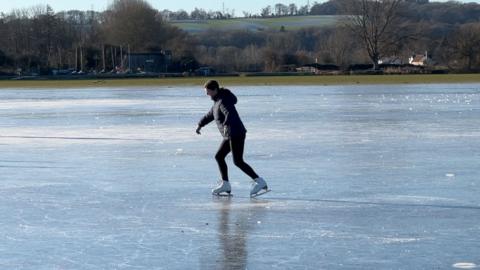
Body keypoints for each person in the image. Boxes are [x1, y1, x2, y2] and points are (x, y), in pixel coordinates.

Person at [196, 80, 268, 197]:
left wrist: (225, 124)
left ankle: (259, 181)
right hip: (230, 134)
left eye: (208, 91)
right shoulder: (217, 102)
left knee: (238, 161)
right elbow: (211, 115)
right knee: (219, 156)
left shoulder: (223, 100)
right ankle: (225, 184)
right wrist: (200, 124)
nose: (207, 94)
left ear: (214, 90)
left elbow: (229, 113)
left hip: (235, 133)